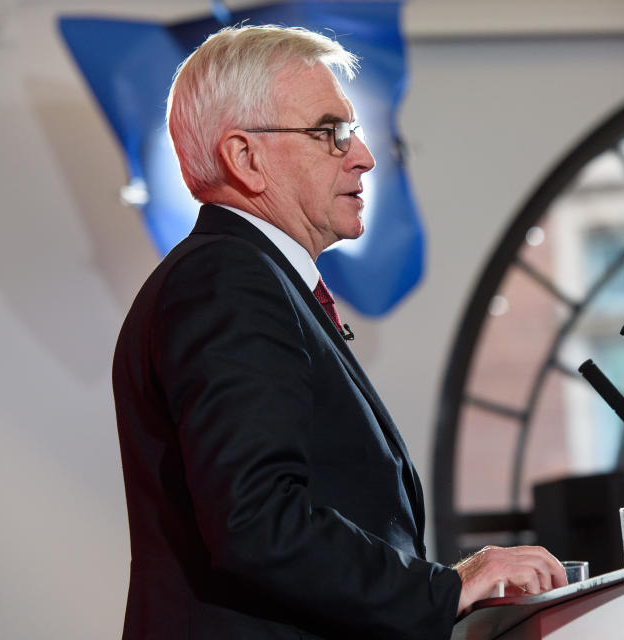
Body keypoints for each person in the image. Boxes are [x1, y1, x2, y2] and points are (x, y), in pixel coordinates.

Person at [112, 24, 566, 640]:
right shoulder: (227, 280)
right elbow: (258, 520)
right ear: (246, 158)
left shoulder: (248, 279)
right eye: (331, 132)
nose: (364, 155)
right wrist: (449, 587)